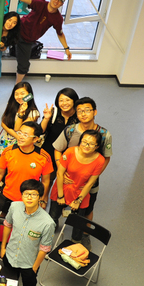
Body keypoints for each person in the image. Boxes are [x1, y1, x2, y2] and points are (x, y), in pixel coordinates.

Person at [52, 97, 112, 236]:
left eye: (87, 110)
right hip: (67, 176)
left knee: (87, 208)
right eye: (79, 111)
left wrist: (91, 176)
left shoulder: (104, 134)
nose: (83, 114)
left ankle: (84, 234)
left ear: (94, 112)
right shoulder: (70, 130)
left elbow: (106, 158)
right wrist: (61, 170)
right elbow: (58, 149)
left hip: (88, 179)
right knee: (56, 205)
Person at [0, 179, 55, 286]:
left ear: (40, 197)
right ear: (22, 195)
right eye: (26, 194)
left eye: (34, 194)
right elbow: (7, 225)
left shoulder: (48, 223)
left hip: (29, 264)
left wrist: (34, 267)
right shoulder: (14, 206)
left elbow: (44, 248)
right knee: (7, 284)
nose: (29, 198)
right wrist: (3, 247)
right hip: (10, 255)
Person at [4, 0, 73, 84]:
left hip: (27, 40)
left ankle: (17, 85)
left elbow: (60, 34)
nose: (56, 2)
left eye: (60, 0)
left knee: (24, 66)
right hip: (17, 30)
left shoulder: (58, 18)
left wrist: (66, 48)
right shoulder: (41, 4)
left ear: (62, 4)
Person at [49, 130, 105, 244]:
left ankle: (75, 243)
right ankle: (47, 236)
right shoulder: (70, 152)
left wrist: (78, 200)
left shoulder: (100, 160)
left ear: (97, 146)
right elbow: (60, 174)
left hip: (80, 193)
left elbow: (90, 183)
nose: (86, 145)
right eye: (84, 142)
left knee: (78, 223)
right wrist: (60, 196)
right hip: (62, 189)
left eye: (91, 144)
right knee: (53, 216)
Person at [0, 121, 53, 215]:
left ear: (35, 139)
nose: (21, 136)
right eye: (20, 133)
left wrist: (42, 199)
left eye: (25, 135)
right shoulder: (8, 151)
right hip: (7, 197)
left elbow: (45, 181)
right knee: (4, 220)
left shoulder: (44, 157)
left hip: (29, 200)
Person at [0, 82, 43, 158]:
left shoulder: (34, 113)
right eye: (16, 94)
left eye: (22, 93)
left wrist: (21, 114)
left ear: (29, 95)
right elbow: (3, 123)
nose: (19, 97)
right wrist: (16, 136)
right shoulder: (12, 105)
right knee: (0, 161)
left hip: (20, 143)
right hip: (5, 140)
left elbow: (18, 128)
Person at [40, 88, 79, 182]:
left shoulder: (79, 116)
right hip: (49, 155)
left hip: (69, 158)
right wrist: (46, 118)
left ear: (74, 100)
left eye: (67, 100)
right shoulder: (53, 113)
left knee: (66, 183)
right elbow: (40, 131)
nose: (64, 103)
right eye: (61, 100)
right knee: (46, 183)